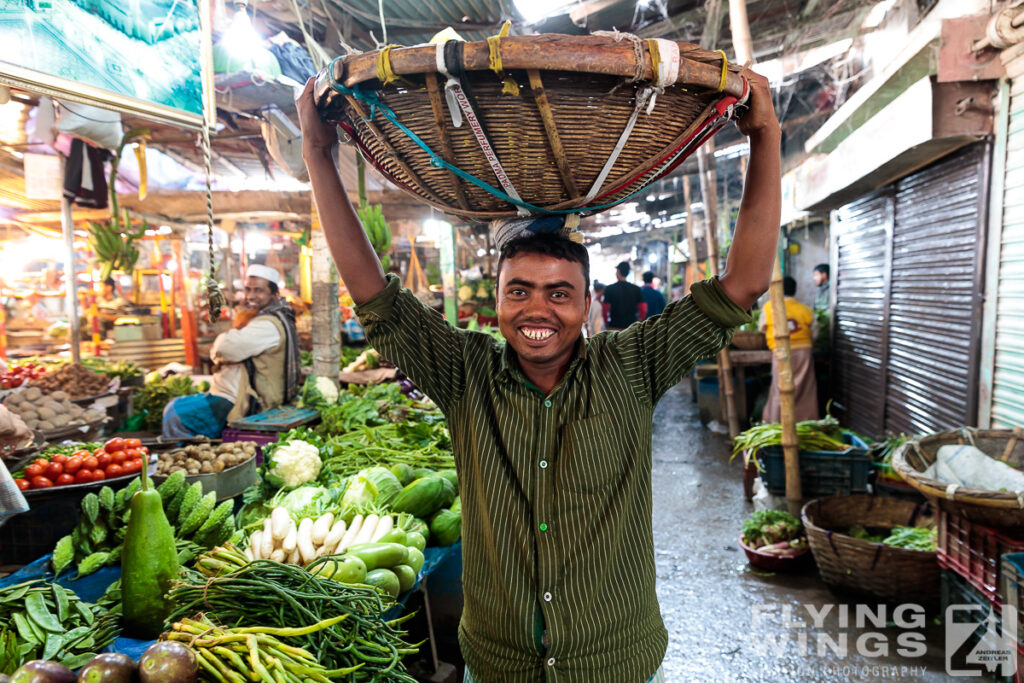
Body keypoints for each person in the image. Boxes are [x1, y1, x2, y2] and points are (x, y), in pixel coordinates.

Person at [298, 65, 781, 683]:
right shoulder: (464, 372)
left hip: (614, 661)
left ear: (587, 306)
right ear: (496, 300)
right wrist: (318, 152)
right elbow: (375, 295)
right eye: (519, 290)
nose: (537, 310)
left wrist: (765, 136)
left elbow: (741, 285)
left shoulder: (631, 364)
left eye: (559, 294)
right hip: (501, 664)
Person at [162, 265, 301, 438]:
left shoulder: (268, 324)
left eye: (258, 290)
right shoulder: (264, 317)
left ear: (274, 294)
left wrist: (223, 339)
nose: (250, 296)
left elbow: (225, 349)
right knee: (176, 406)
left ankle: (182, 455)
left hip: (245, 400)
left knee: (175, 414)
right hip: (235, 392)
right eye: (248, 289)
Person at [759, 276, 819, 423]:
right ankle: (806, 422)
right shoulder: (805, 310)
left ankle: (778, 423)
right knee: (805, 390)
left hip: (781, 352)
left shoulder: (768, 307)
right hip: (804, 352)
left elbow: (761, 328)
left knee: (780, 388)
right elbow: (815, 332)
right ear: (795, 290)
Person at [602, 261, 646, 329]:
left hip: (615, 327)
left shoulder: (610, 289)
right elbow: (643, 309)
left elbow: (605, 309)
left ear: (618, 272)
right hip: (631, 329)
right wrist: (638, 322)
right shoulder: (636, 289)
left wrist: (606, 323)